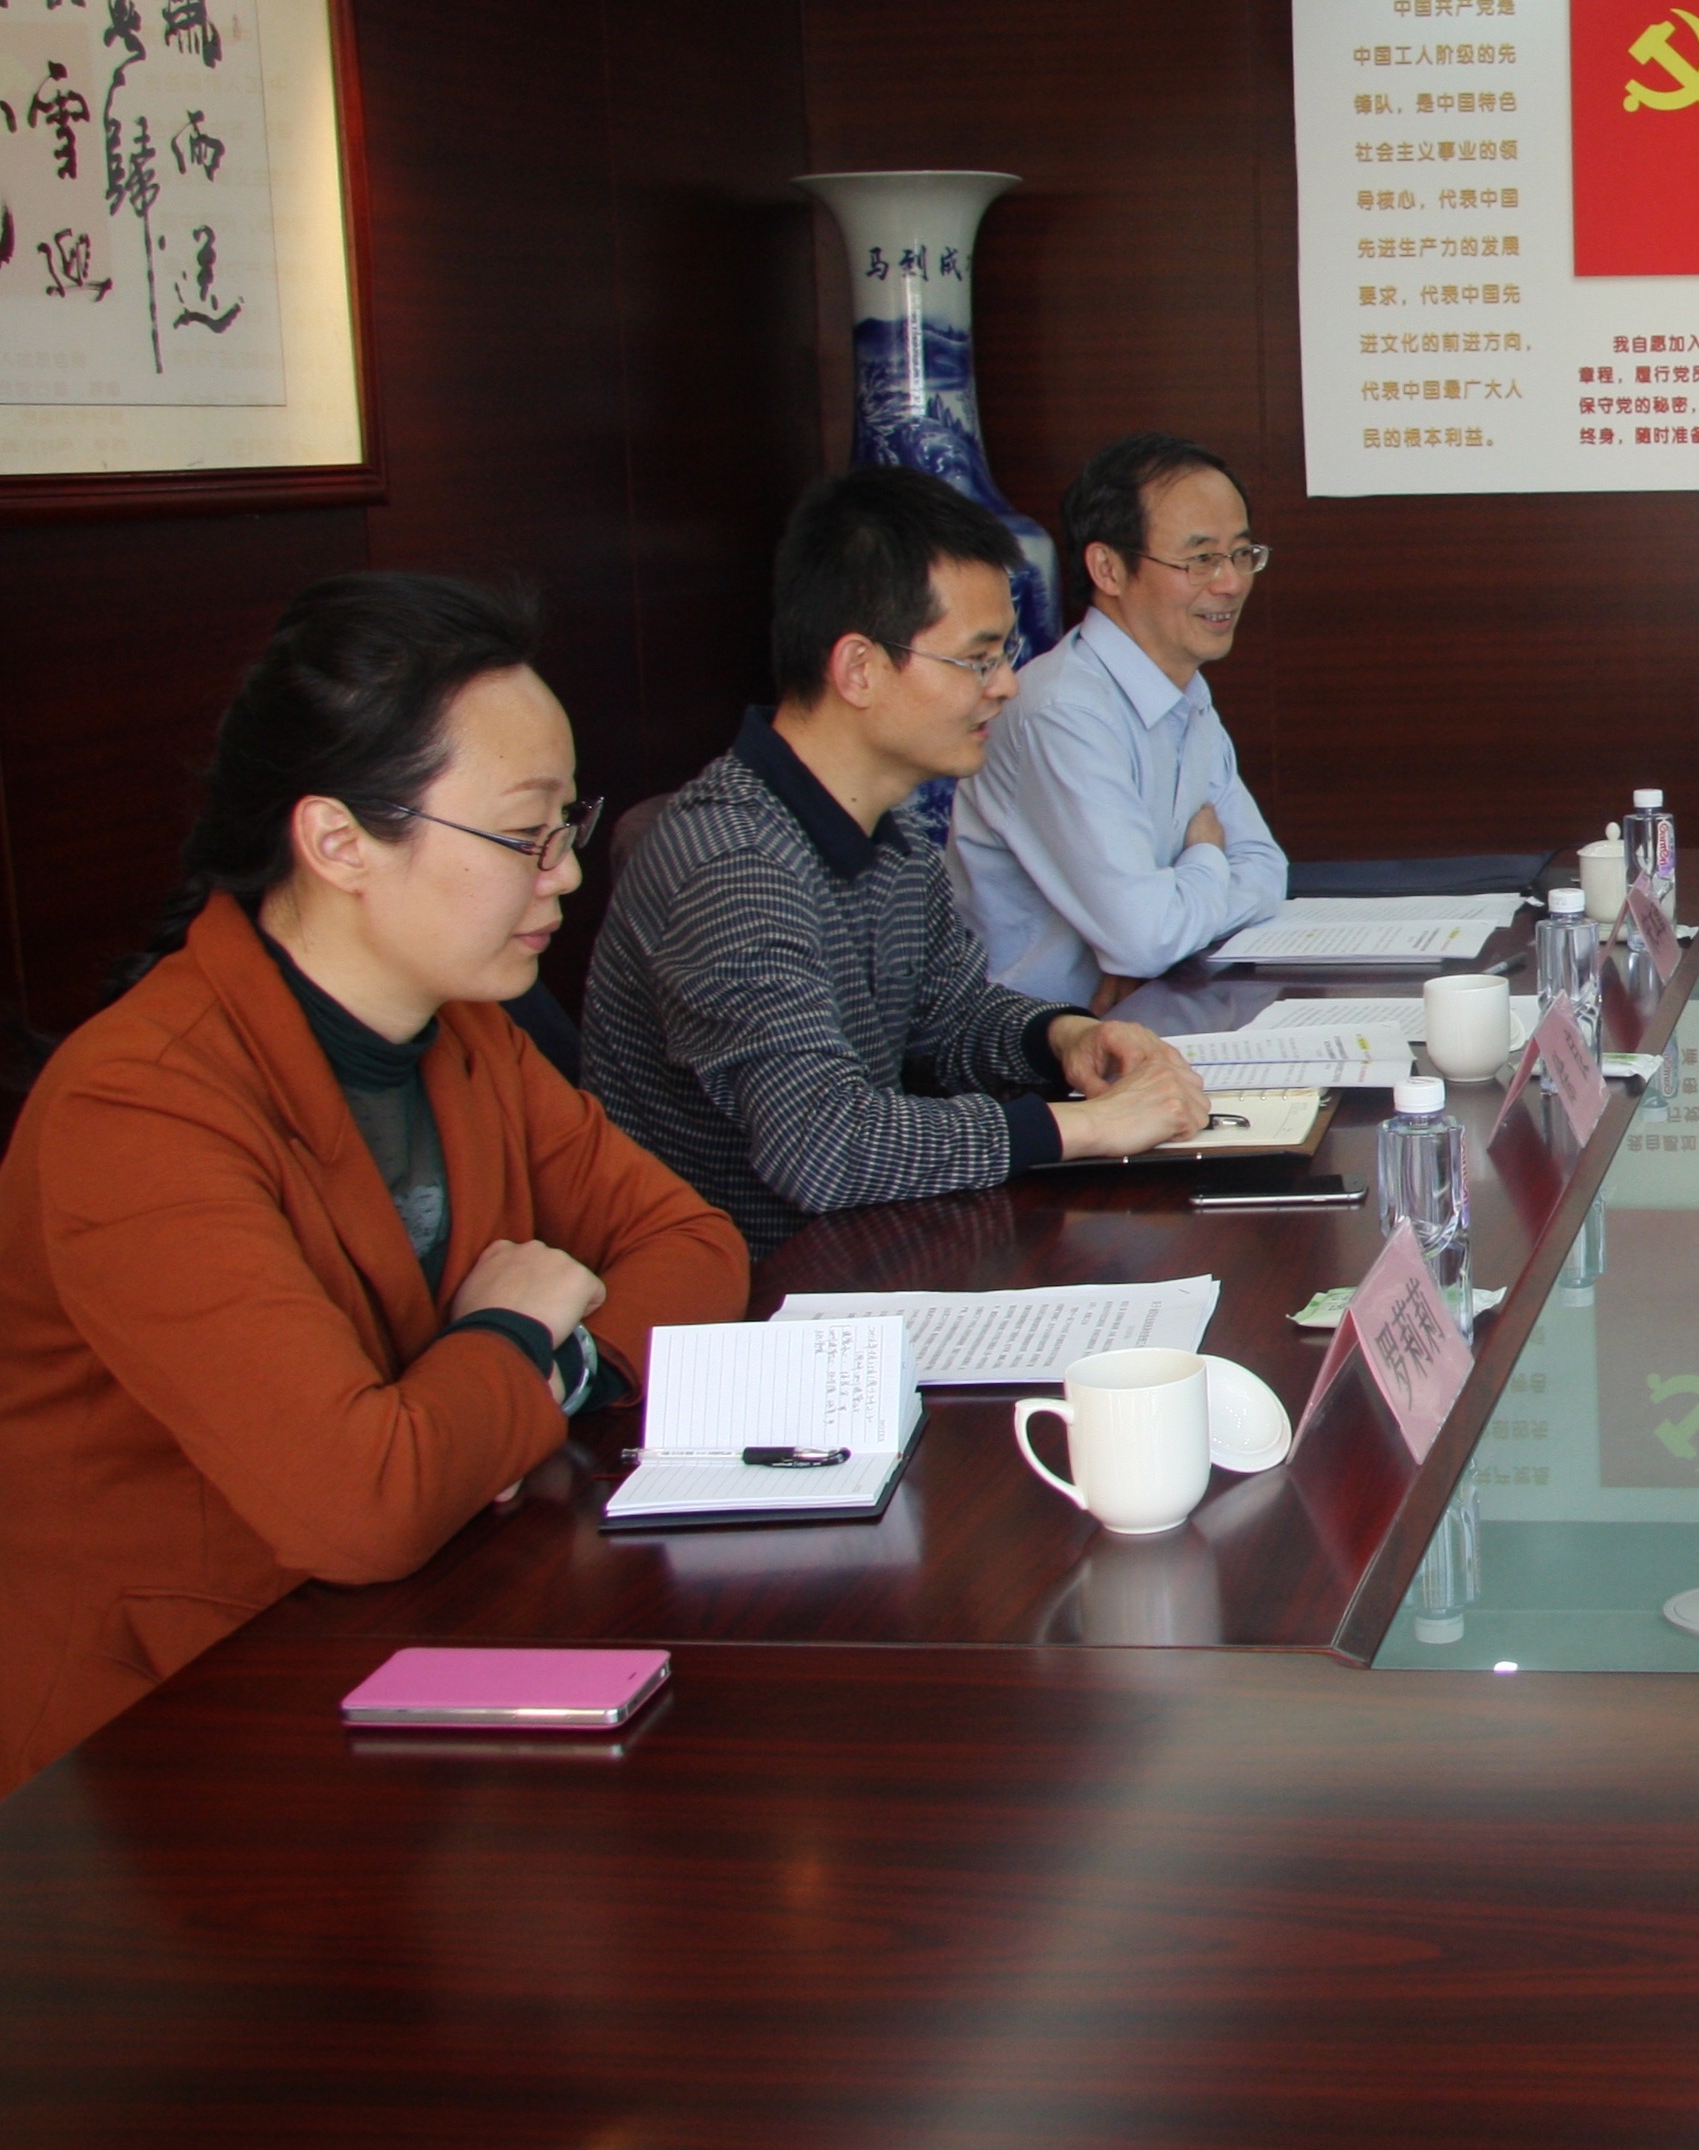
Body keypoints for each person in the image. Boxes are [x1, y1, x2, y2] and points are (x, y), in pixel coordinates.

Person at [0, 576, 748, 1791]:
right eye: (524, 834)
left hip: (425, 1628)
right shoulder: (138, 1102)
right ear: (338, 840)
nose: (564, 873)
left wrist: (542, 1369)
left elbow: (693, 1243)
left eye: (569, 821)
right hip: (170, 1735)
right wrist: (506, 1333)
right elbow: (365, 1500)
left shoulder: (464, 1025)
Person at [583, 468, 1212, 1252]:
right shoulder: (731, 862)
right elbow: (822, 1144)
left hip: (868, 1249)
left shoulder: (890, 831)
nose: (1006, 686)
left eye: (1007, 654)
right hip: (750, 1287)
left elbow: (947, 1018)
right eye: (977, 659)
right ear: (859, 668)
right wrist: (1080, 1126)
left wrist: (1062, 1039)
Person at [952, 434, 1287, 1010]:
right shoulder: (1064, 712)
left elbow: (1265, 868)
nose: (1231, 582)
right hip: (1036, 1046)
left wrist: (1169, 931)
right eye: (1201, 558)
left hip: (1145, 1017)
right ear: (1108, 568)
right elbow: (1146, 938)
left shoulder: (1184, 693)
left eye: (1241, 553)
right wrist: (1205, 857)